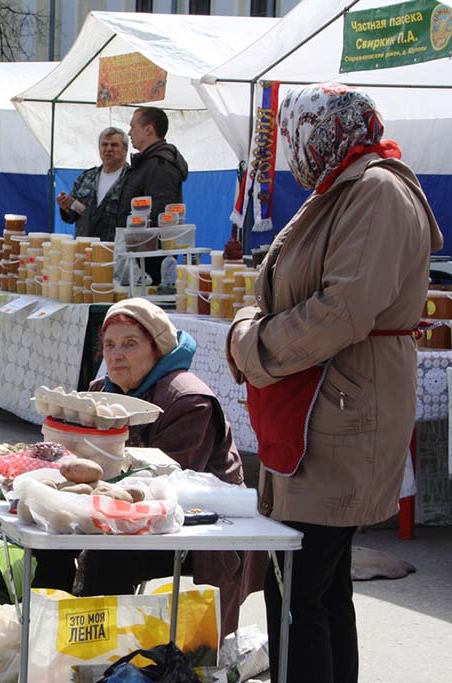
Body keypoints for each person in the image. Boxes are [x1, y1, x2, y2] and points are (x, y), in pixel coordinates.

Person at [227, 84, 442, 683]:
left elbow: (342, 312)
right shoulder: (344, 186)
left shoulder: (373, 190)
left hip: (340, 408)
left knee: (298, 591)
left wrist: (252, 346)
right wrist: (254, 325)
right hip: (326, 403)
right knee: (315, 589)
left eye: (296, 136)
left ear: (319, 135)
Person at [34, 298, 257, 636]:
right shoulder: (100, 393)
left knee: (110, 557)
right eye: (109, 345)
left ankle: (103, 653)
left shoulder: (187, 400)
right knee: (46, 541)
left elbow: (164, 485)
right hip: (123, 516)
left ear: (158, 348)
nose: (115, 354)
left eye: (130, 344)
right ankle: (49, 640)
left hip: (196, 529)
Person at [57, 127, 130, 241]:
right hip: (84, 249)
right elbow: (73, 216)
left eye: (114, 145)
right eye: (104, 145)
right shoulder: (85, 177)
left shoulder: (132, 178)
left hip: (114, 250)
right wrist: (66, 207)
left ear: (125, 149)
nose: (108, 149)